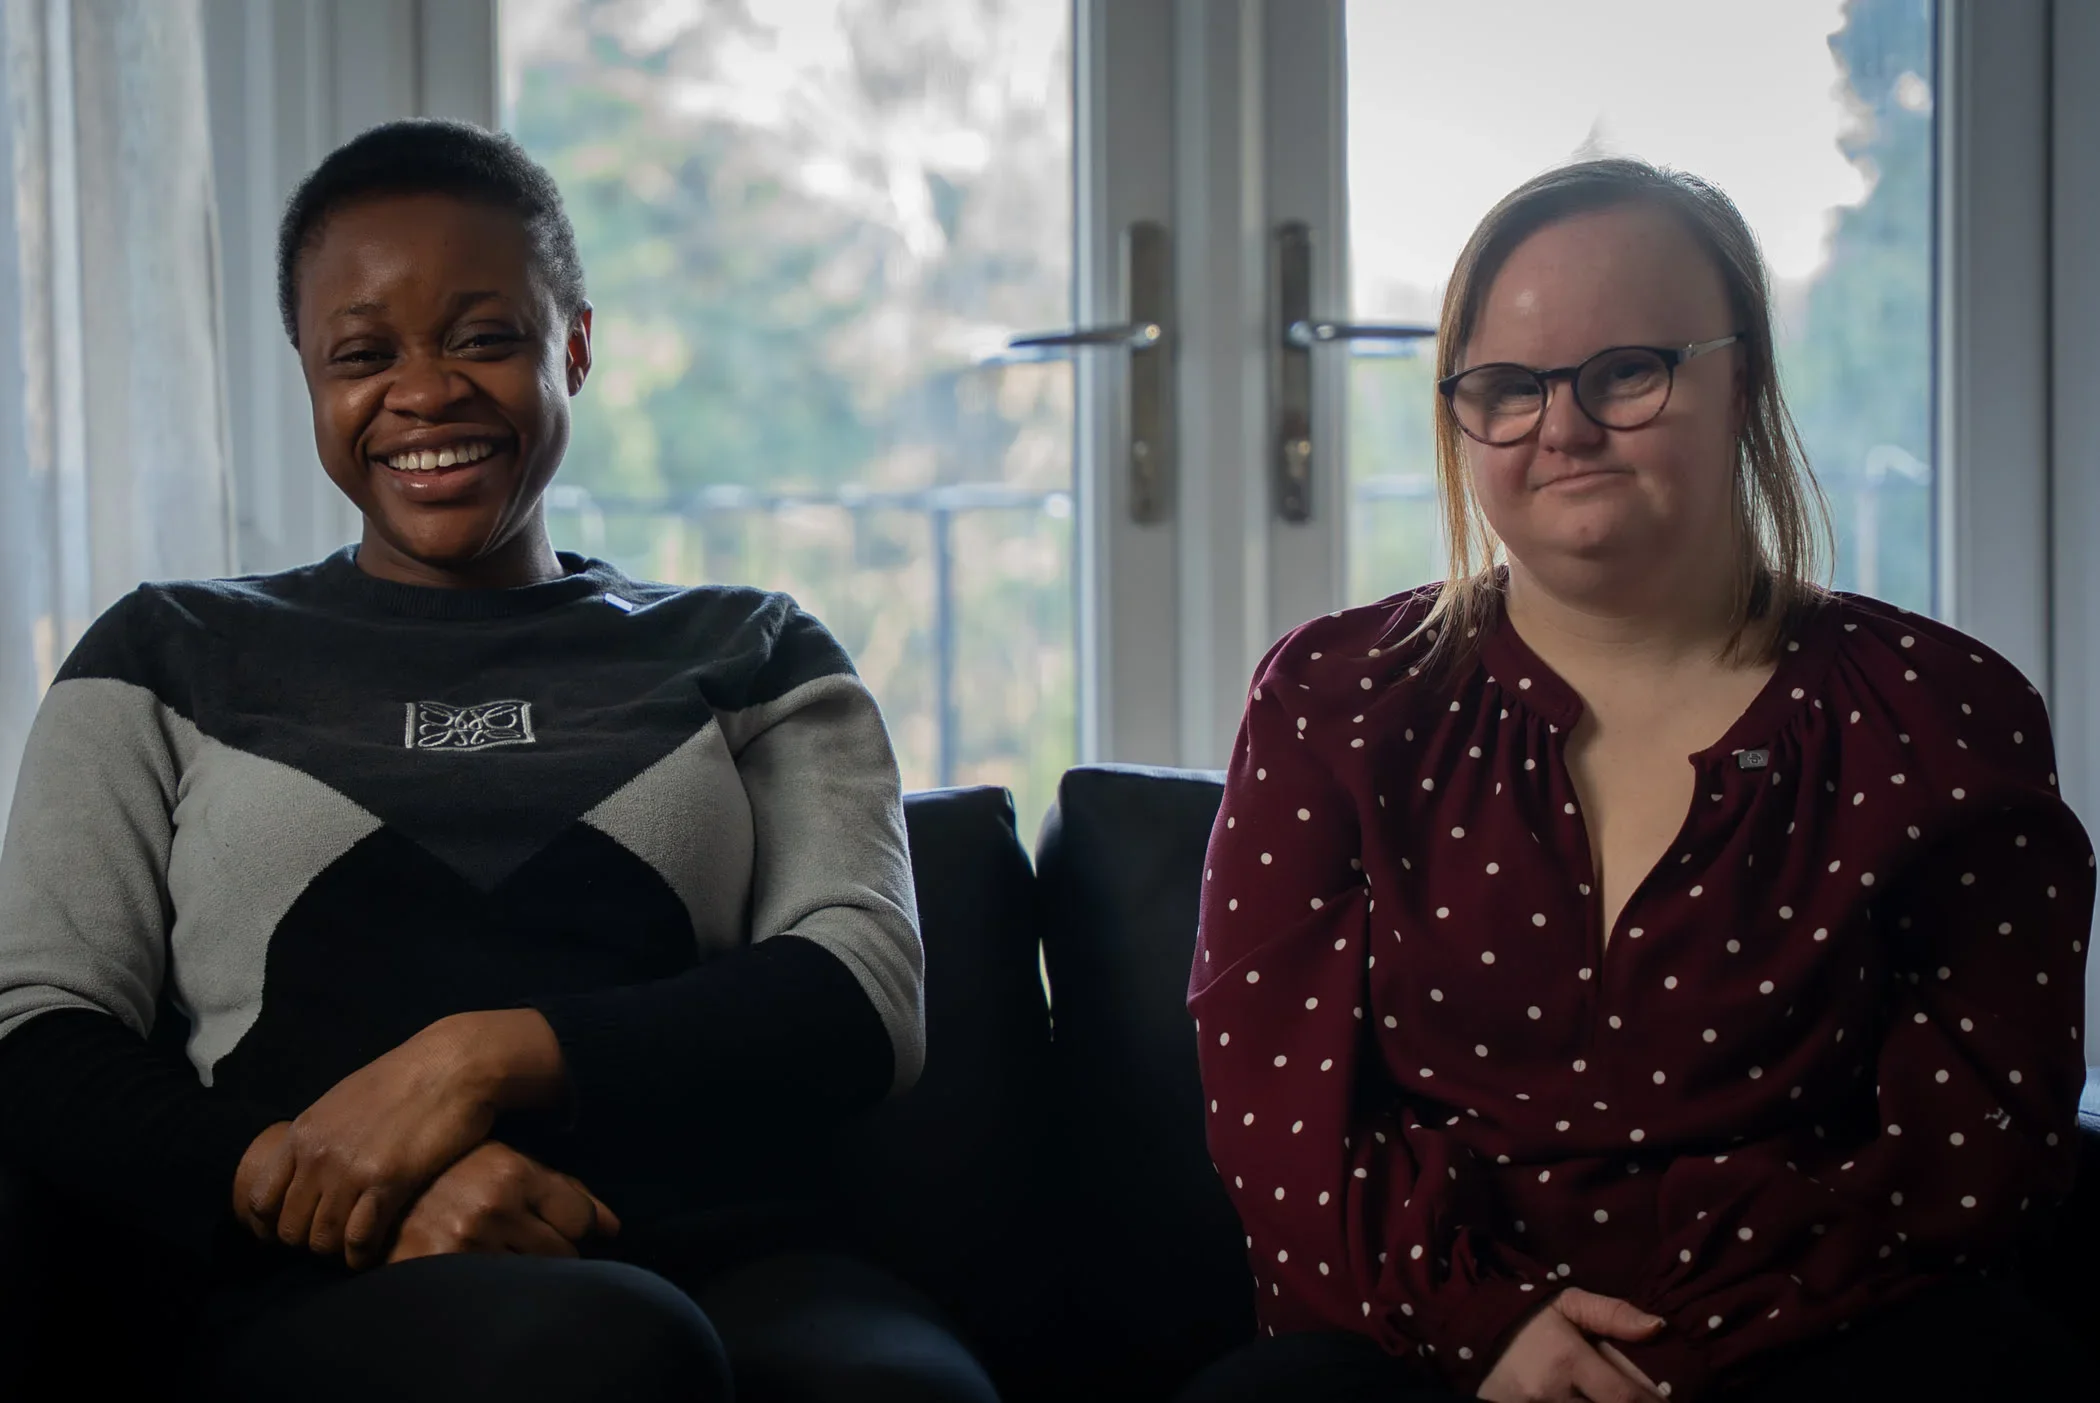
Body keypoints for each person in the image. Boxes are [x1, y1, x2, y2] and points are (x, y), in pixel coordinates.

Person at [0, 119, 996, 1403]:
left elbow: (860, 992)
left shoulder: (754, 646)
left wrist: (473, 1055)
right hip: (313, 1277)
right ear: (307, 370)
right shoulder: (165, 652)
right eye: (364, 354)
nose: (425, 394)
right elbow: (36, 1032)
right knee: (595, 1350)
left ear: (573, 342)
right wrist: (344, 1192)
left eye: (485, 337)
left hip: (735, 1256)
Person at [1181, 158, 2094, 1403]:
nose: (1562, 428)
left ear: (1745, 379)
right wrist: (1484, 1325)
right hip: (1429, 1355)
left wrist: (1691, 1351)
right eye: (1506, 388)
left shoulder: (1943, 716)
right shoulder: (1332, 701)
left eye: (1625, 372)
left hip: (1828, 1339)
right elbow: (1278, 1117)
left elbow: (1984, 1141)